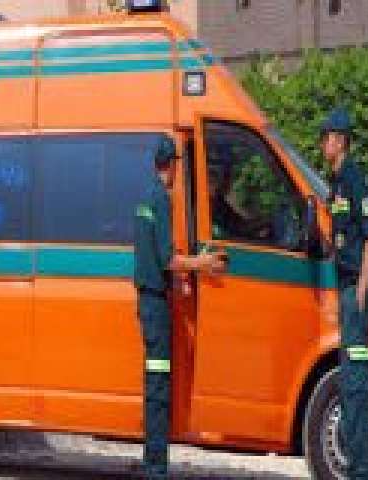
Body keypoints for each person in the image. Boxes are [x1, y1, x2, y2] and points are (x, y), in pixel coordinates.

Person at [134, 136, 225, 479]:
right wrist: (202, 264)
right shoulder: (161, 199)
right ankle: (156, 468)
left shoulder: (144, 196)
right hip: (156, 306)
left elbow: (154, 256)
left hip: (148, 299)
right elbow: (168, 259)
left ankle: (152, 462)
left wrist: (177, 278)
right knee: (159, 388)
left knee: (154, 385)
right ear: (171, 165)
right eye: (176, 164)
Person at [320, 108, 368, 480]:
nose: (322, 143)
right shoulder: (337, 183)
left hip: (358, 287)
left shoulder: (355, 180)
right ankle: (361, 465)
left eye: (326, 137)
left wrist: (360, 291)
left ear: (340, 140)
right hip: (346, 285)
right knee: (349, 380)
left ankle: (363, 470)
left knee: (355, 382)